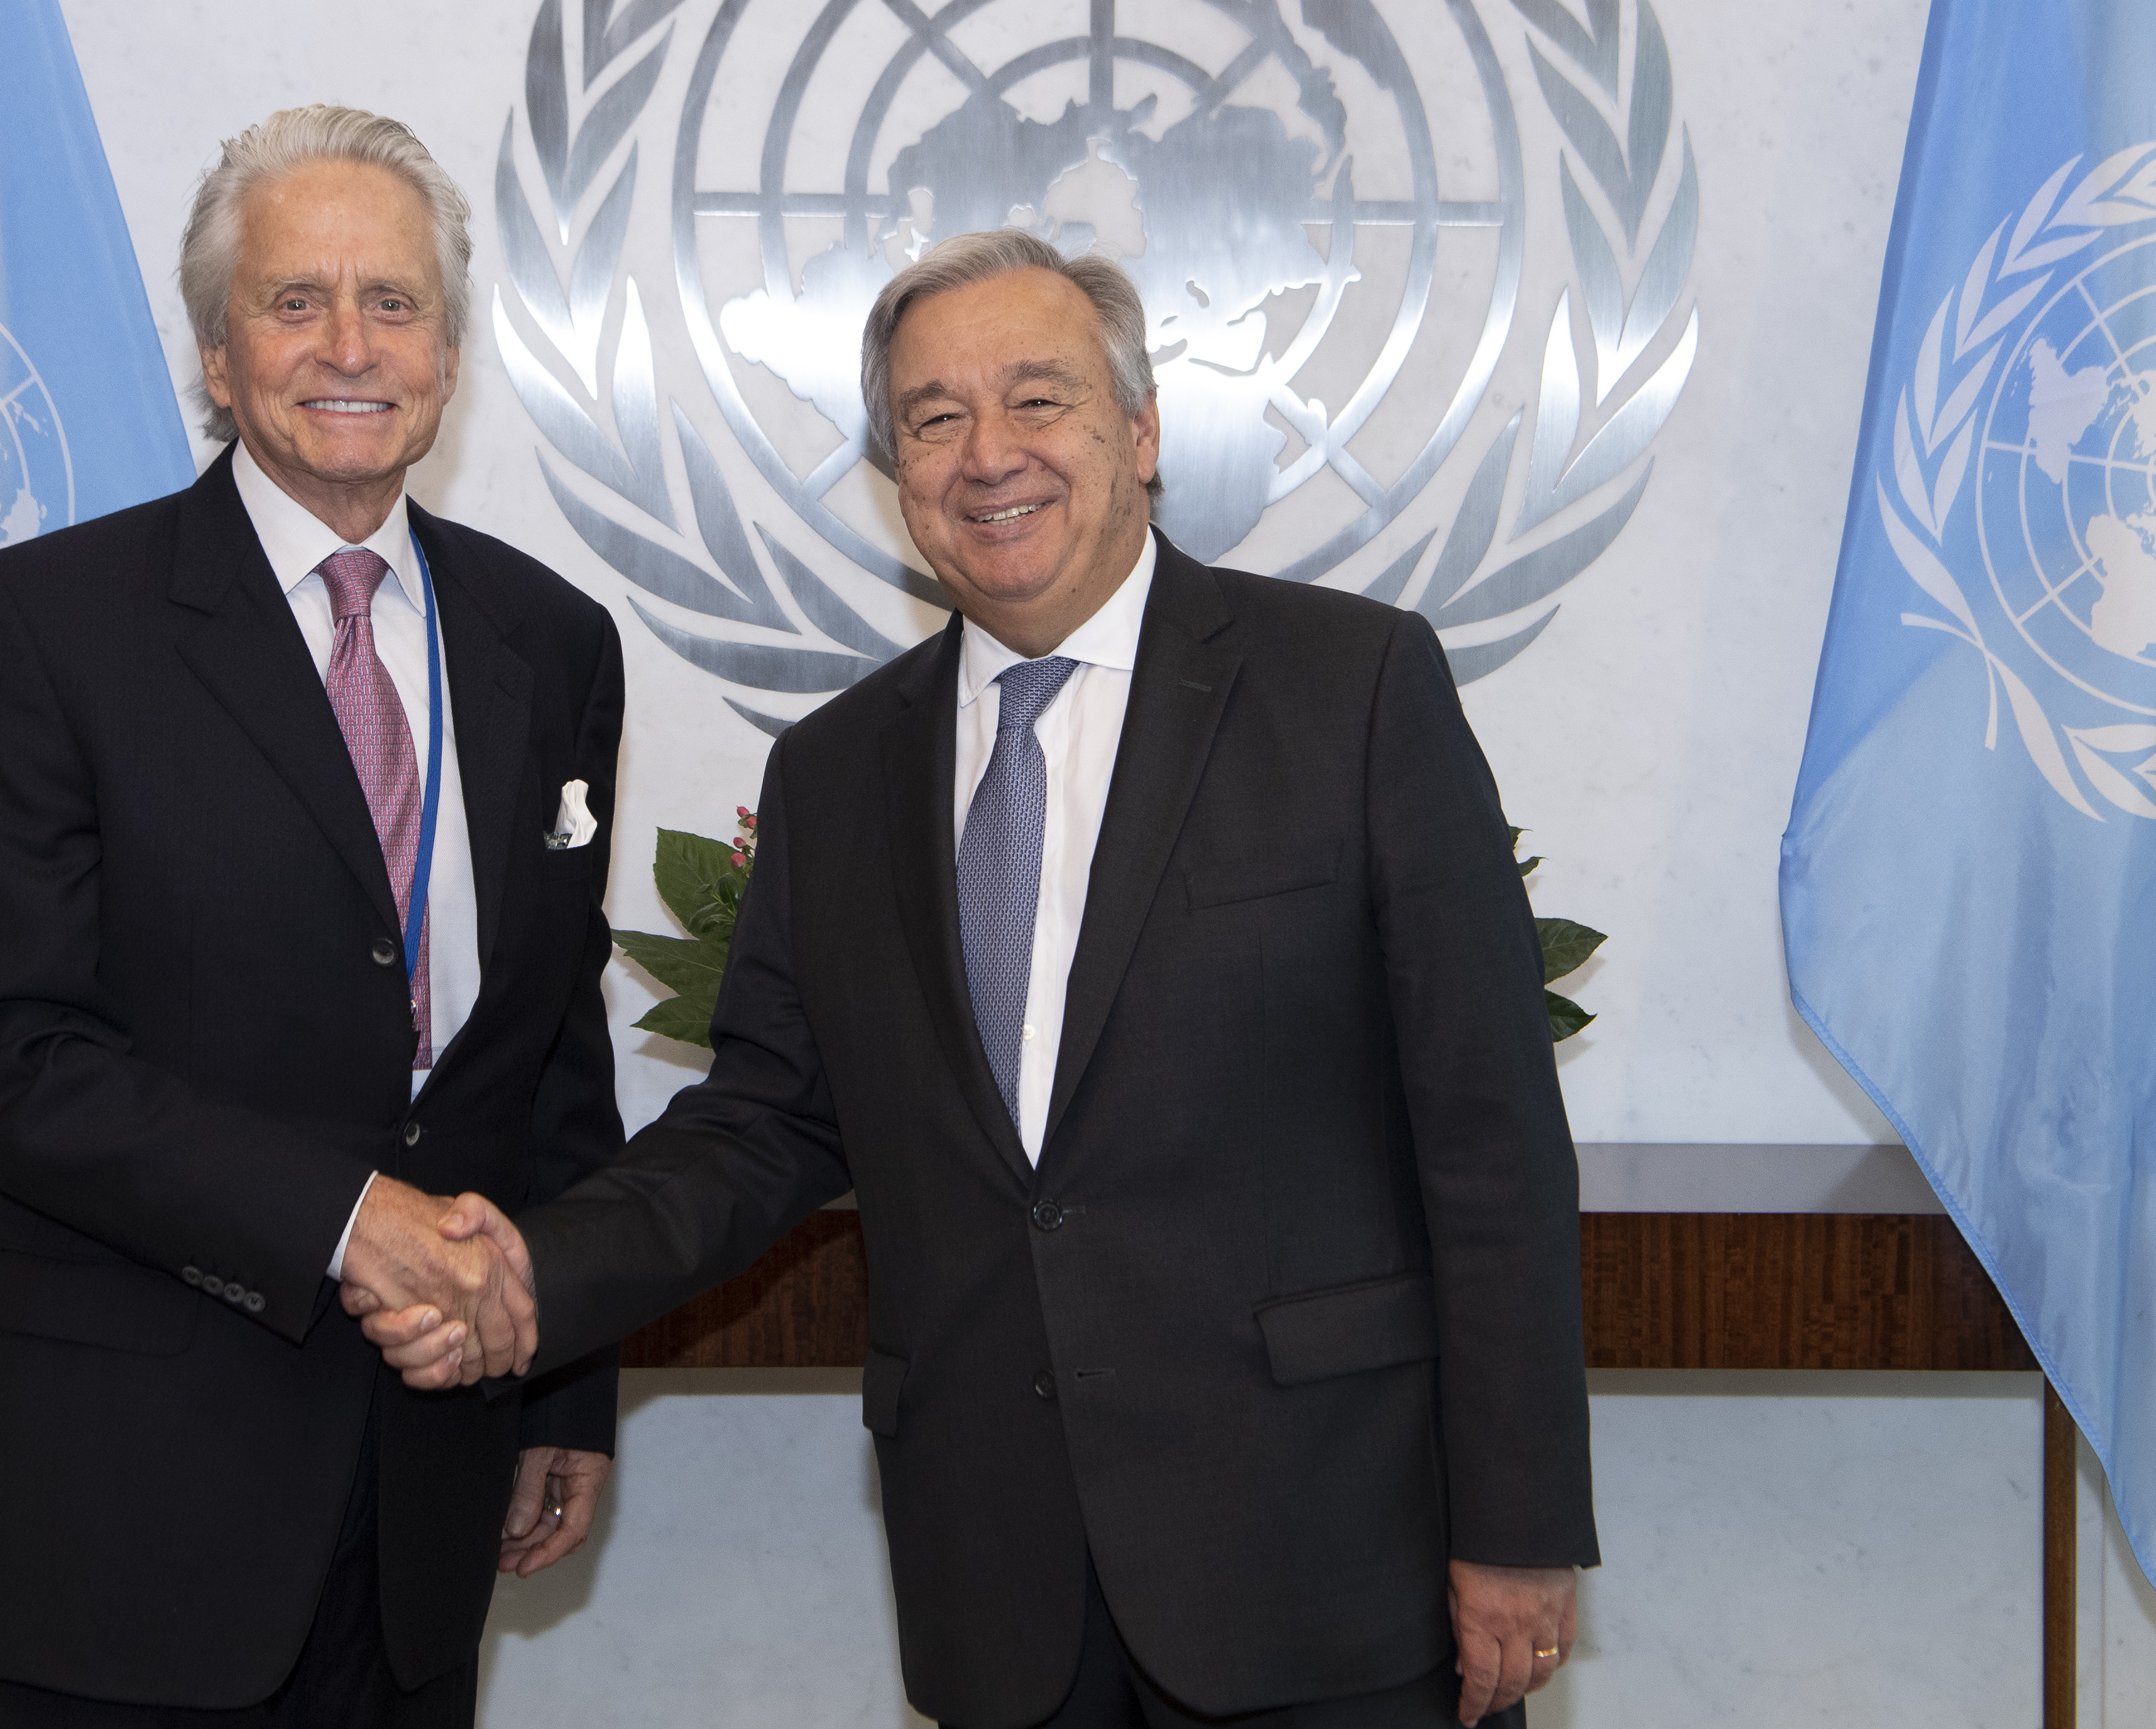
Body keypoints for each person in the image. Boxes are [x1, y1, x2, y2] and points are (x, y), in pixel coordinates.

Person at [369, 229, 1598, 1728]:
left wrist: (1519, 1525)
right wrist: (527, 1274)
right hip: (1002, 1590)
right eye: (933, 419)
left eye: (1038, 400)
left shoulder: (1352, 690)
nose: (985, 453)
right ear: (896, 477)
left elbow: (1487, 1141)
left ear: (1137, 432)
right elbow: (761, 1123)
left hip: (1328, 1568)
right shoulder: (833, 774)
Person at [0, 106, 624, 1726]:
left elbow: (545, 1040)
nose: (348, 345)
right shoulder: (40, 627)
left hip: (428, 1507)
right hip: (124, 1525)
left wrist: (561, 1379)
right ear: (218, 358)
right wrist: (339, 1215)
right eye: (294, 303)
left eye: (395, 303)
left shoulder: (552, 640)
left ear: (448, 350)